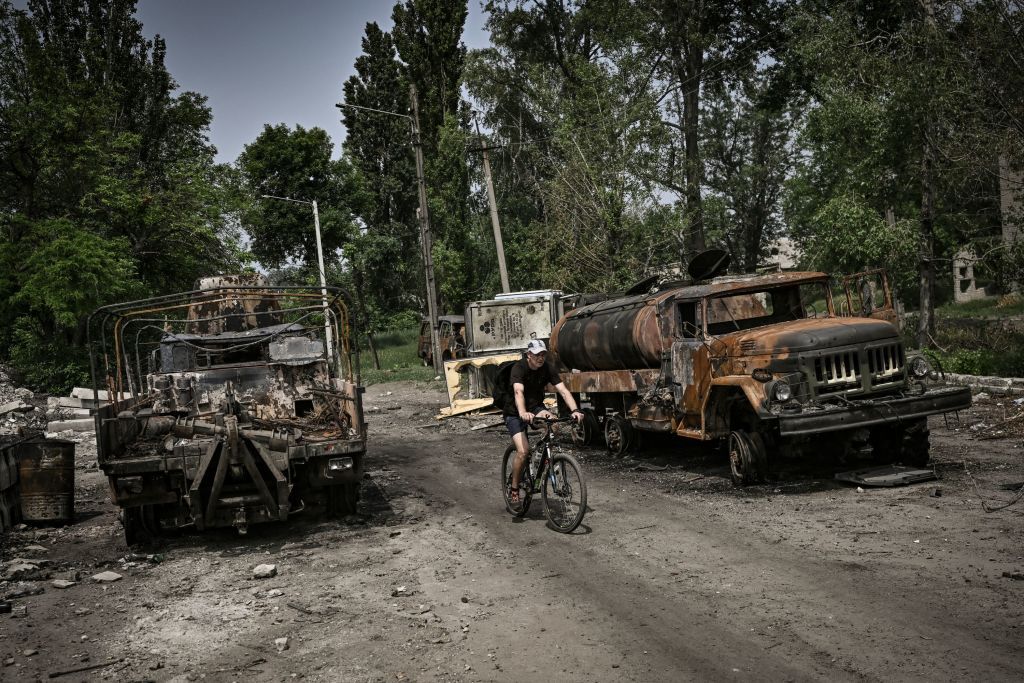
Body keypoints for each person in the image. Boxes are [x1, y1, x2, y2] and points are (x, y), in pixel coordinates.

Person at [504, 339, 583, 510]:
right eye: (537, 354)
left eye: (543, 354)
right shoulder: (519, 368)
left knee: (553, 423)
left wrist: (575, 410)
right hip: (515, 412)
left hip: (535, 407)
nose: (540, 358)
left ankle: (541, 456)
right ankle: (515, 489)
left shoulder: (547, 368)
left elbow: (563, 391)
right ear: (529, 355)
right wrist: (523, 413)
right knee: (523, 451)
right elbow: (518, 392)